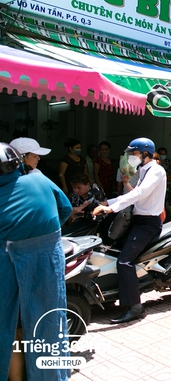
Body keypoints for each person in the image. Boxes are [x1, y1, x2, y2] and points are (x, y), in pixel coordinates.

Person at [0, 142, 73, 381]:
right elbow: (65, 209)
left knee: (7, 327)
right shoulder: (40, 181)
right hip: (47, 263)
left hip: (8, 268)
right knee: (49, 323)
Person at [92, 137, 167, 323]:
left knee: (124, 261)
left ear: (146, 154)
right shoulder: (143, 169)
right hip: (137, 220)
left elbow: (138, 194)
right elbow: (132, 194)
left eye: (134, 153)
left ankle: (135, 307)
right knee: (111, 250)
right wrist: (105, 203)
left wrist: (110, 208)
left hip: (148, 224)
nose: (131, 157)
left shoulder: (156, 171)